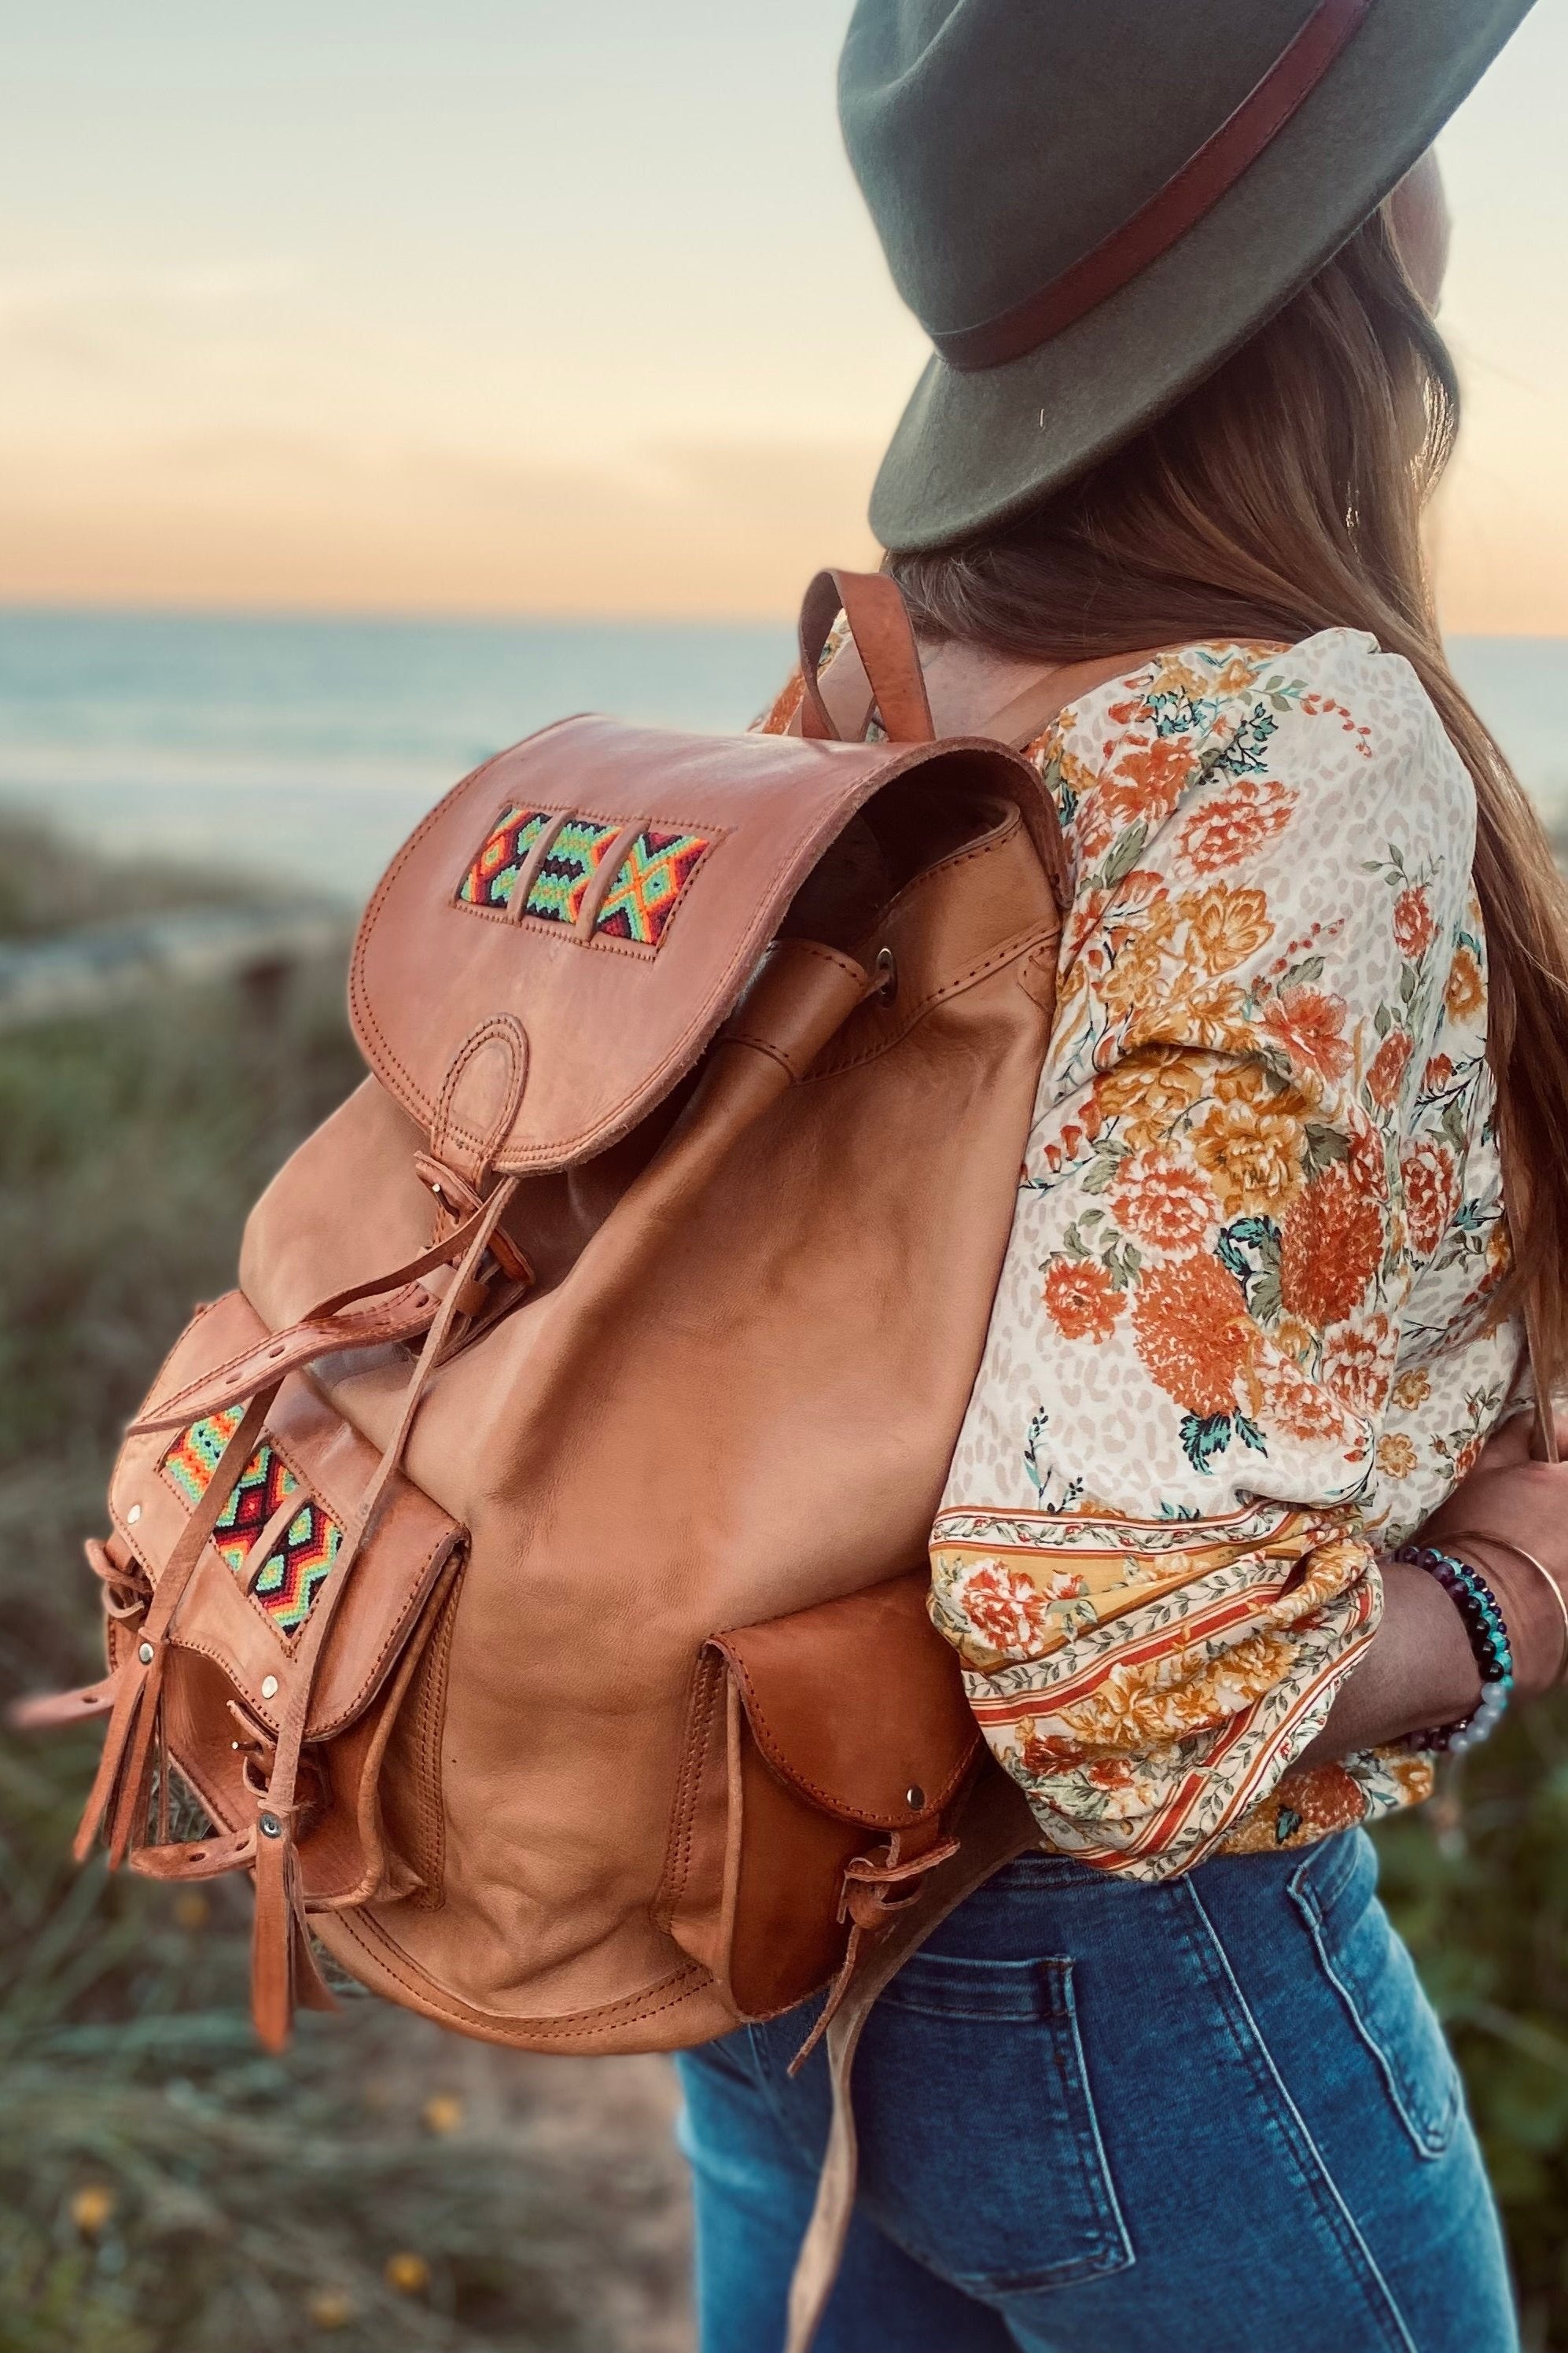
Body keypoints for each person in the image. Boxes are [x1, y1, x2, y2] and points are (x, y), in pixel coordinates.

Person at [674, 4, 1566, 2347]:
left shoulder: (880, 691)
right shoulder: (1292, 745)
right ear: (1349, 243)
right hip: (1132, 1988)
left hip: (775, 1904)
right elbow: (1118, 1673)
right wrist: (1508, 1598)